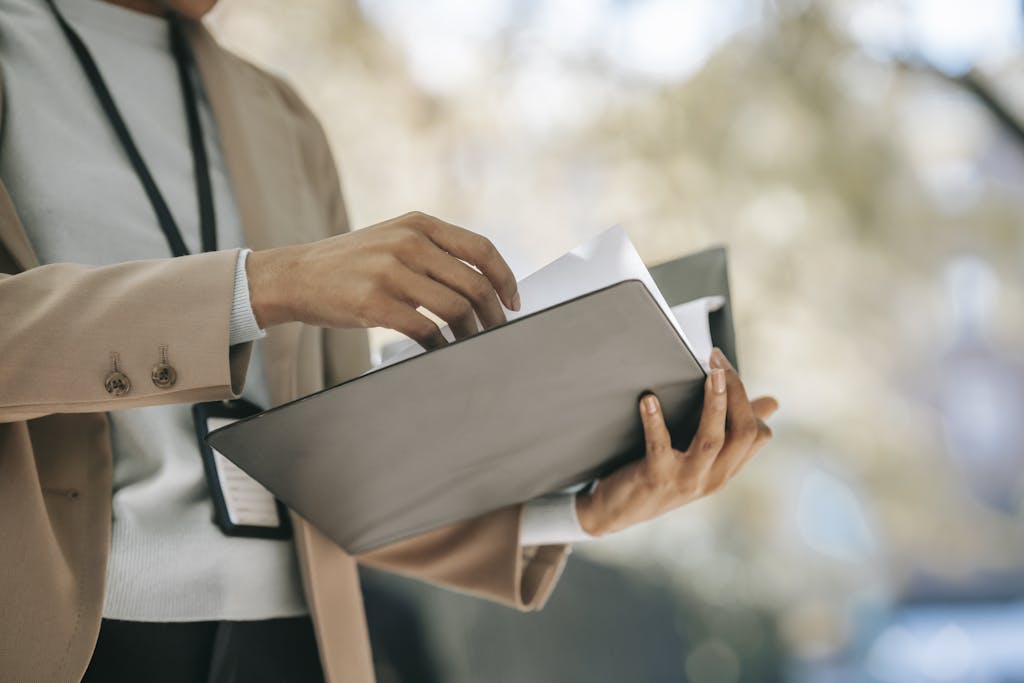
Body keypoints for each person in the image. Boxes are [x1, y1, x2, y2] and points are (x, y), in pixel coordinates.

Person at [0, 0, 779, 681]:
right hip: (63, 647)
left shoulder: (282, 117)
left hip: (304, 646)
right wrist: (267, 284)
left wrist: (577, 511)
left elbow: (332, 459)